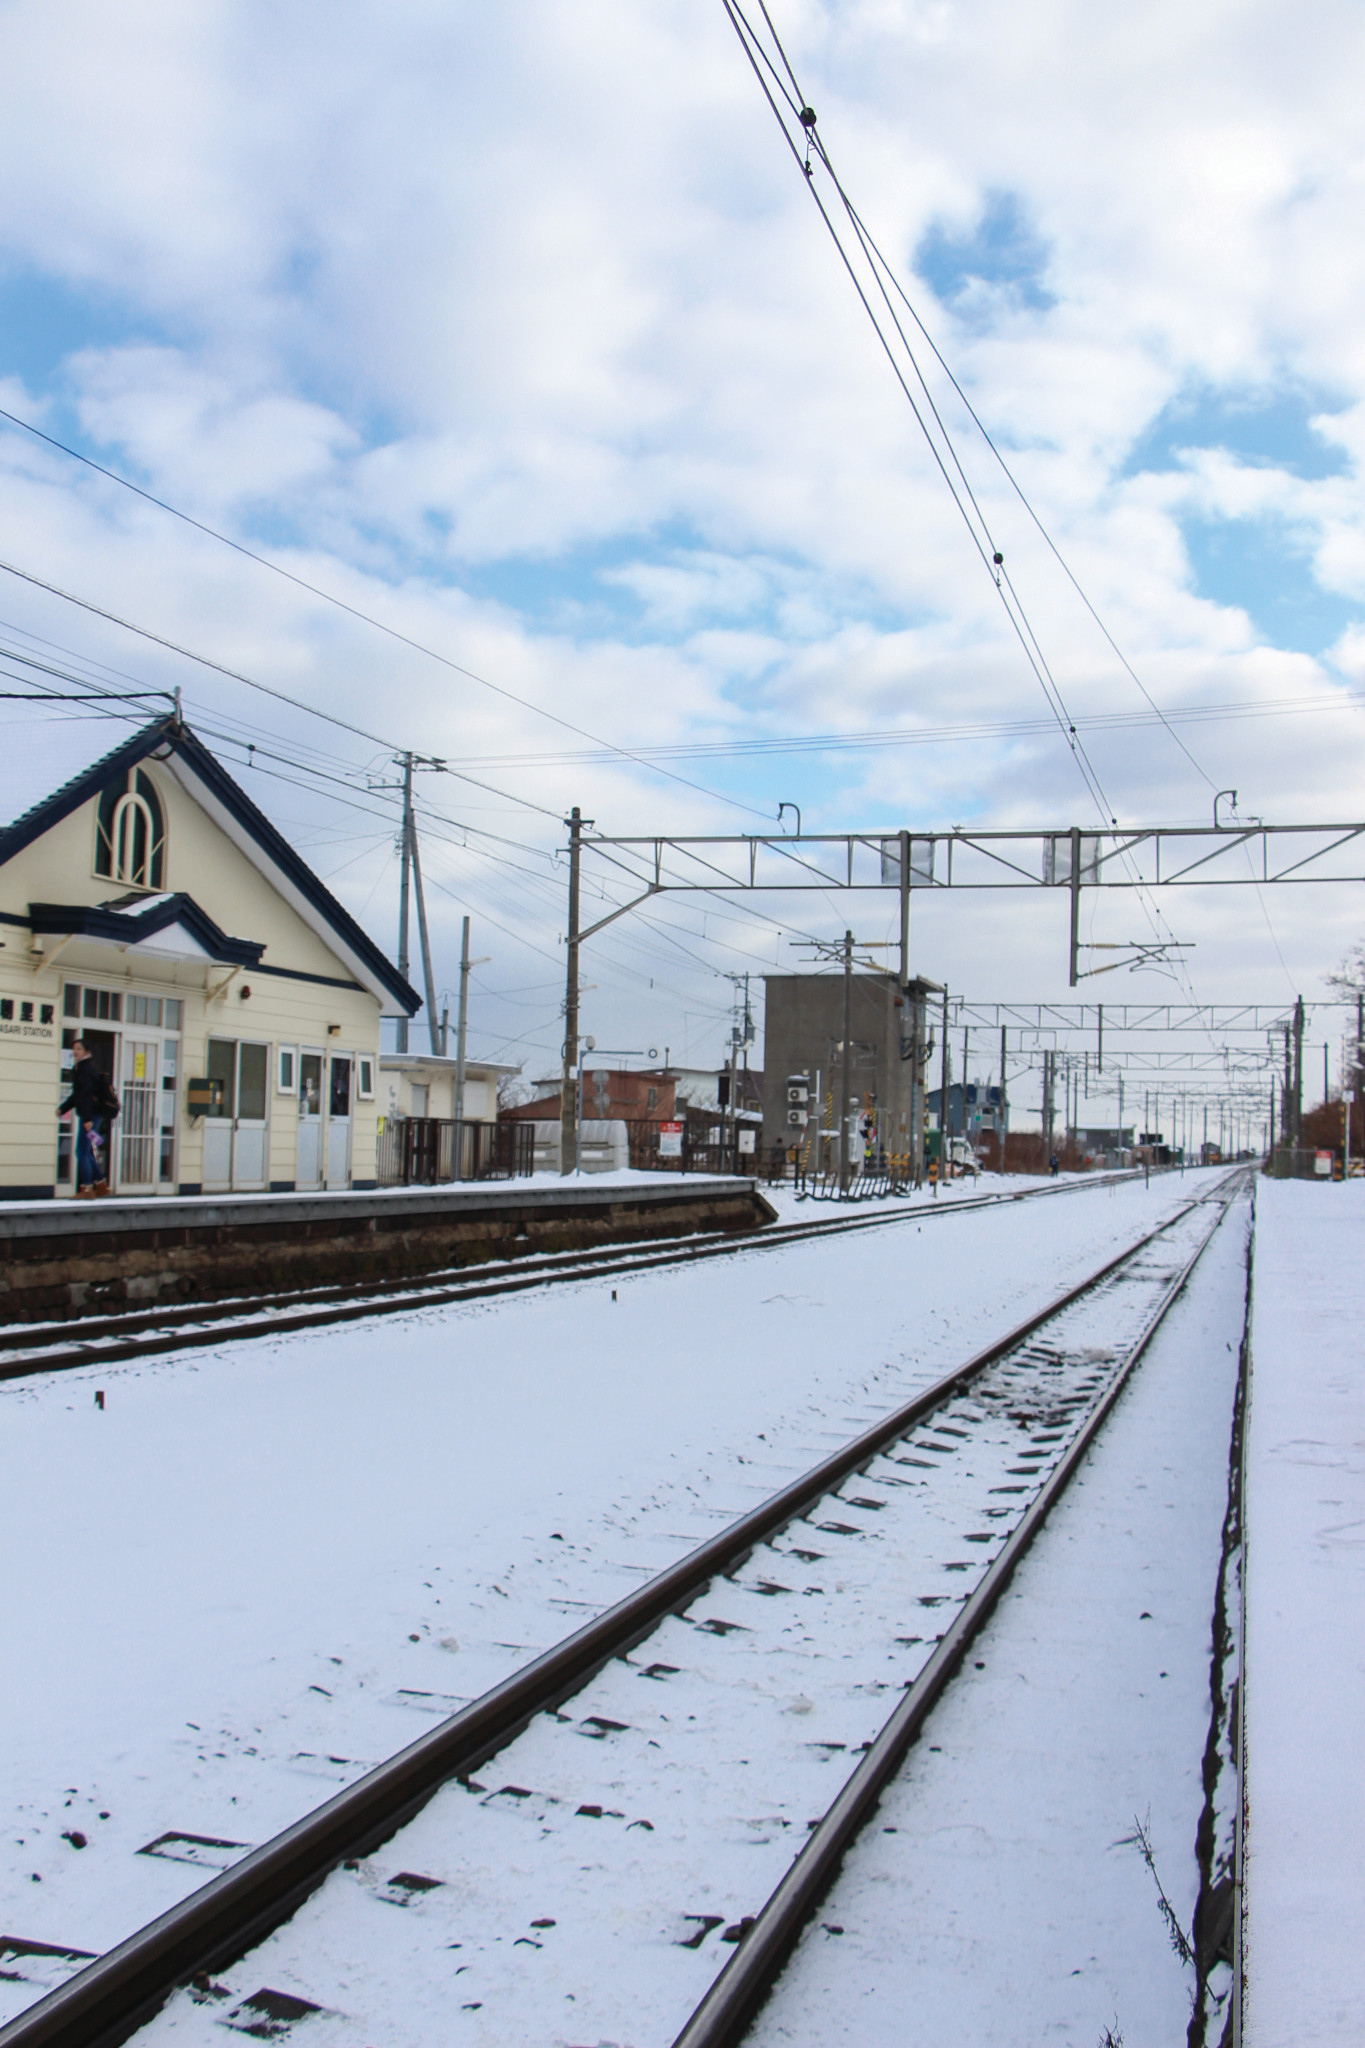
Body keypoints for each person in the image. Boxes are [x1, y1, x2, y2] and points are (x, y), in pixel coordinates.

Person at [59, 1038, 120, 1197]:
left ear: (87, 1052)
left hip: (91, 1115)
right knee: (86, 1151)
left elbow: (85, 1096)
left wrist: (86, 1119)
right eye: (74, 1049)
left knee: (82, 1152)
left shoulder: (85, 1069)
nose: (75, 1052)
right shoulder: (82, 1068)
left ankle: (87, 1188)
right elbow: (77, 1096)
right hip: (92, 1114)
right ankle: (101, 1185)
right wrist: (63, 1108)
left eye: (78, 1049)